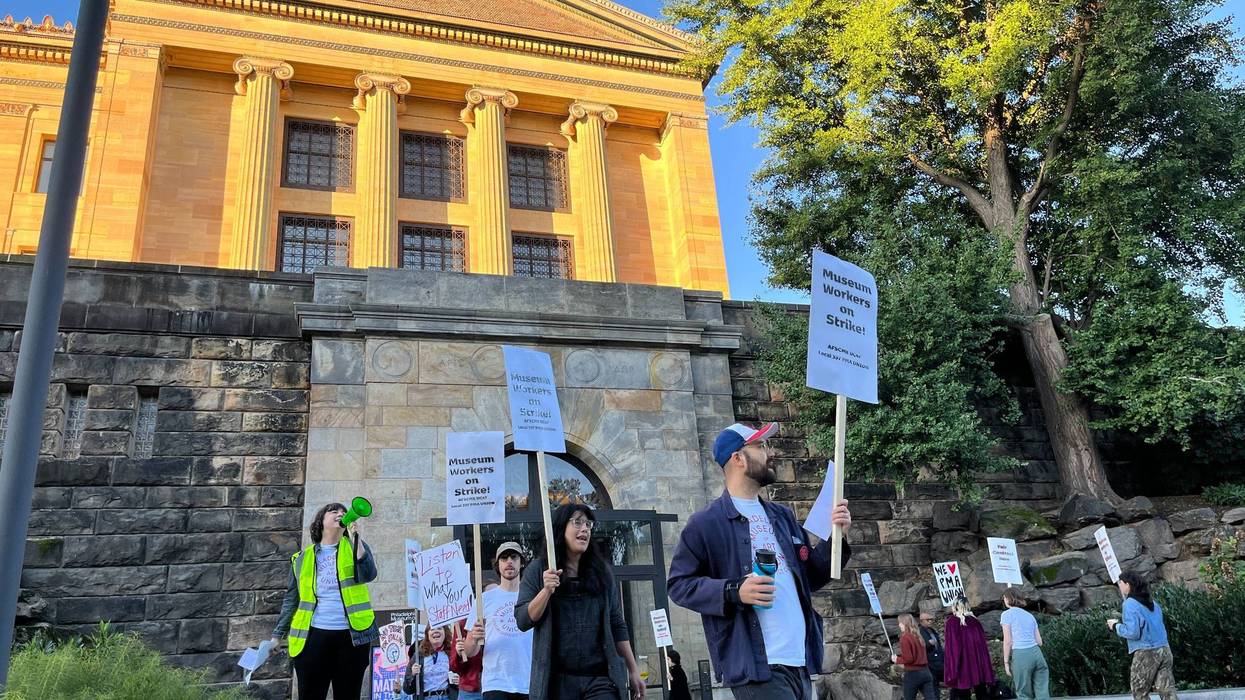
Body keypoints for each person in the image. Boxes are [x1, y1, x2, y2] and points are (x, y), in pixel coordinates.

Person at [668, 422, 854, 699]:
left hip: (800, 662)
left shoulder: (783, 516)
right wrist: (734, 591)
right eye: (761, 446)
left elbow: (811, 578)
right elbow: (679, 585)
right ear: (738, 458)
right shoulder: (706, 523)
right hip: (757, 667)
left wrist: (836, 537)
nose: (772, 452)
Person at [515, 503, 646, 700]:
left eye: (588, 524)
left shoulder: (602, 572)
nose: (584, 528)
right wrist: (546, 591)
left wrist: (633, 669)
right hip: (557, 683)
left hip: (599, 679)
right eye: (577, 522)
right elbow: (523, 620)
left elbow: (617, 623)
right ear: (560, 529)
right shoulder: (538, 570)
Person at [270, 502, 378, 700]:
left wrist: (356, 539)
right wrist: (277, 635)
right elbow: (291, 600)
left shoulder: (354, 547)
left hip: (352, 638)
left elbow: (369, 574)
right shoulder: (302, 558)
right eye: (334, 511)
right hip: (313, 638)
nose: (341, 513)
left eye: (344, 511)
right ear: (321, 520)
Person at [459, 541, 533, 700]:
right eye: (504, 558)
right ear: (498, 565)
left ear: (521, 563)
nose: (509, 562)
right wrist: (473, 637)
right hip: (496, 683)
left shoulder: (532, 597)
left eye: (514, 557)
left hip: (528, 682)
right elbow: (470, 651)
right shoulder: (484, 599)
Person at [1107, 571, 1178, 700]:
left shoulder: (1129, 604)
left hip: (1146, 653)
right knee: (1167, 691)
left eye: (1120, 583)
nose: (1120, 586)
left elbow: (1133, 633)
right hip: (1165, 649)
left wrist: (1116, 626)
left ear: (1128, 584)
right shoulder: (1153, 604)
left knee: (1139, 691)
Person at [943, 597, 995, 700]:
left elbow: (953, 648)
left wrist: (953, 670)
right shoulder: (975, 621)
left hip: (963, 664)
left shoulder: (952, 622)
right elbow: (982, 647)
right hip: (978, 663)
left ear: (955, 606)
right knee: (981, 691)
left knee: (963, 693)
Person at [1001, 588, 1049, 700]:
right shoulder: (1029, 616)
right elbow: (1039, 642)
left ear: (1008, 598)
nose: (1003, 600)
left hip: (1021, 654)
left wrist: (1006, 662)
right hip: (1037, 654)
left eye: (1004, 598)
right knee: (1042, 693)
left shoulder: (1006, 615)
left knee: (1023, 694)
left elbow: (1008, 641)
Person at [398, 625, 454, 698]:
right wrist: (413, 674)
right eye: (432, 629)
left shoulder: (451, 654)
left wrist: (458, 681)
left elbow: (462, 680)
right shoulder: (418, 656)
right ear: (427, 634)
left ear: (445, 633)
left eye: (439, 628)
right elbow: (407, 690)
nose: (436, 631)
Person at [893, 614, 937, 700]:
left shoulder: (905, 637)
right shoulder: (918, 635)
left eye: (900, 623)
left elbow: (909, 659)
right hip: (926, 672)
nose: (899, 625)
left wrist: (897, 659)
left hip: (913, 674)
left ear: (905, 624)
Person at [451, 618, 484, 700]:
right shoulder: (462, 624)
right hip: (471, 689)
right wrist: (460, 655)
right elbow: (454, 667)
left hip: (499, 685)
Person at [918, 611, 945, 692]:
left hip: (938, 661)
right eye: (928, 620)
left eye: (931, 619)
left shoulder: (932, 630)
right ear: (921, 621)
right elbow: (920, 648)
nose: (930, 621)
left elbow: (938, 645)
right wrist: (928, 643)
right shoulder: (920, 632)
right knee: (933, 686)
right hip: (930, 663)